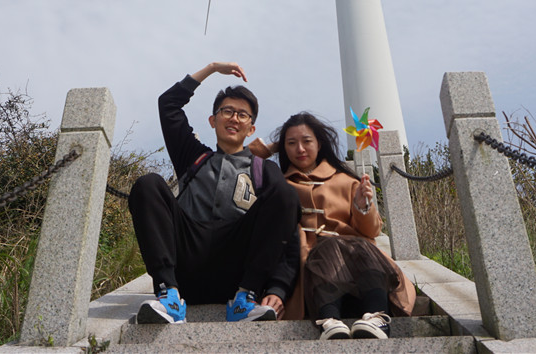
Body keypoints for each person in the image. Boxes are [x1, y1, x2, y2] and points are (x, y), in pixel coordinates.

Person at [128, 62, 300, 325]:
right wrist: (211, 68)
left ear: (251, 129)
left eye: (243, 115)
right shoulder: (193, 157)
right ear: (213, 120)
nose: (234, 118)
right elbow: (168, 105)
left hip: (238, 274)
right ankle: (168, 296)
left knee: (286, 195)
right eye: (227, 111)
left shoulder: (264, 170)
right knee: (148, 183)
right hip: (185, 266)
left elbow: (287, 229)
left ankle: (246, 300)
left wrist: (278, 288)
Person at [255, 112, 416, 340]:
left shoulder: (347, 181)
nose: (300, 149)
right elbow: (243, 163)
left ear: (320, 143)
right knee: (327, 248)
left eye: (307, 141)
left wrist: (362, 207)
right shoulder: (279, 185)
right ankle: (329, 319)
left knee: (357, 245)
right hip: (311, 278)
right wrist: (273, 147)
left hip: (358, 271)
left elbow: (372, 232)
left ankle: (376, 317)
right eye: (291, 143)